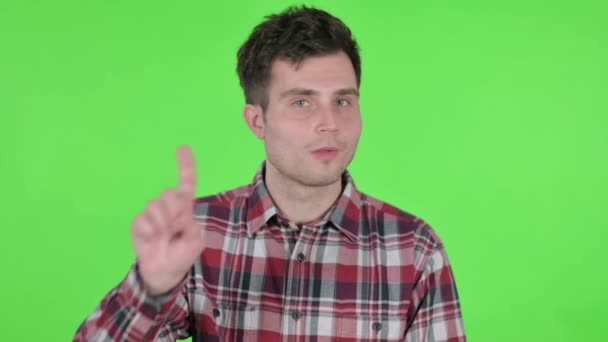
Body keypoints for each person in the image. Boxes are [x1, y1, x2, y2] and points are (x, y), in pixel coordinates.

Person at [74, 5, 466, 342]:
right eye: (301, 102)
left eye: (343, 100)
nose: (330, 122)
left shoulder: (415, 250)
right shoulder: (198, 233)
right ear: (257, 121)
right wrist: (149, 289)